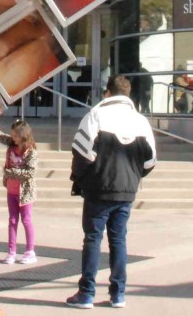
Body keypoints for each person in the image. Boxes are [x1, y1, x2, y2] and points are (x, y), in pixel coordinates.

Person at [66, 75, 157, 309]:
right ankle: (118, 294)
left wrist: (81, 180)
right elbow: (150, 161)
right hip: (126, 191)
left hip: (99, 189)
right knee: (119, 240)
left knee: (93, 240)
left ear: (108, 92)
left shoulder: (96, 114)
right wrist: (134, 177)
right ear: (127, 95)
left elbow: (81, 152)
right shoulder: (140, 121)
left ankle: (86, 293)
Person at [0, 111, 38, 265]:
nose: (13, 138)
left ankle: (30, 251)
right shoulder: (11, 144)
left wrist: (11, 172)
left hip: (25, 192)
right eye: (13, 135)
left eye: (16, 136)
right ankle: (12, 252)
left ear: (23, 136)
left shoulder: (31, 151)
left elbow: (30, 172)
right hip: (11, 190)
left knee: (27, 220)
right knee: (12, 220)